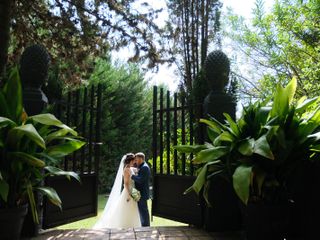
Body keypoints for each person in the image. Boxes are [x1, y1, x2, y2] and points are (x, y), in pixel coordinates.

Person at [93, 153, 141, 229]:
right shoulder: (126, 170)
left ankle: (133, 225)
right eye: (133, 160)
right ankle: (125, 225)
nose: (135, 162)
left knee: (133, 208)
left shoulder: (131, 168)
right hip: (128, 191)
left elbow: (136, 171)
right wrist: (129, 194)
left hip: (133, 190)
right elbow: (126, 183)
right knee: (126, 208)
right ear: (130, 161)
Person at [131, 152, 151, 227]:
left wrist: (132, 176)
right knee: (142, 210)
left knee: (144, 211)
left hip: (142, 192)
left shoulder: (145, 167)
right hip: (139, 192)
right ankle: (144, 225)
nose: (135, 161)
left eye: (137, 159)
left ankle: (146, 226)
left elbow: (141, 180)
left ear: (141, 159)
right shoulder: (142, 166)